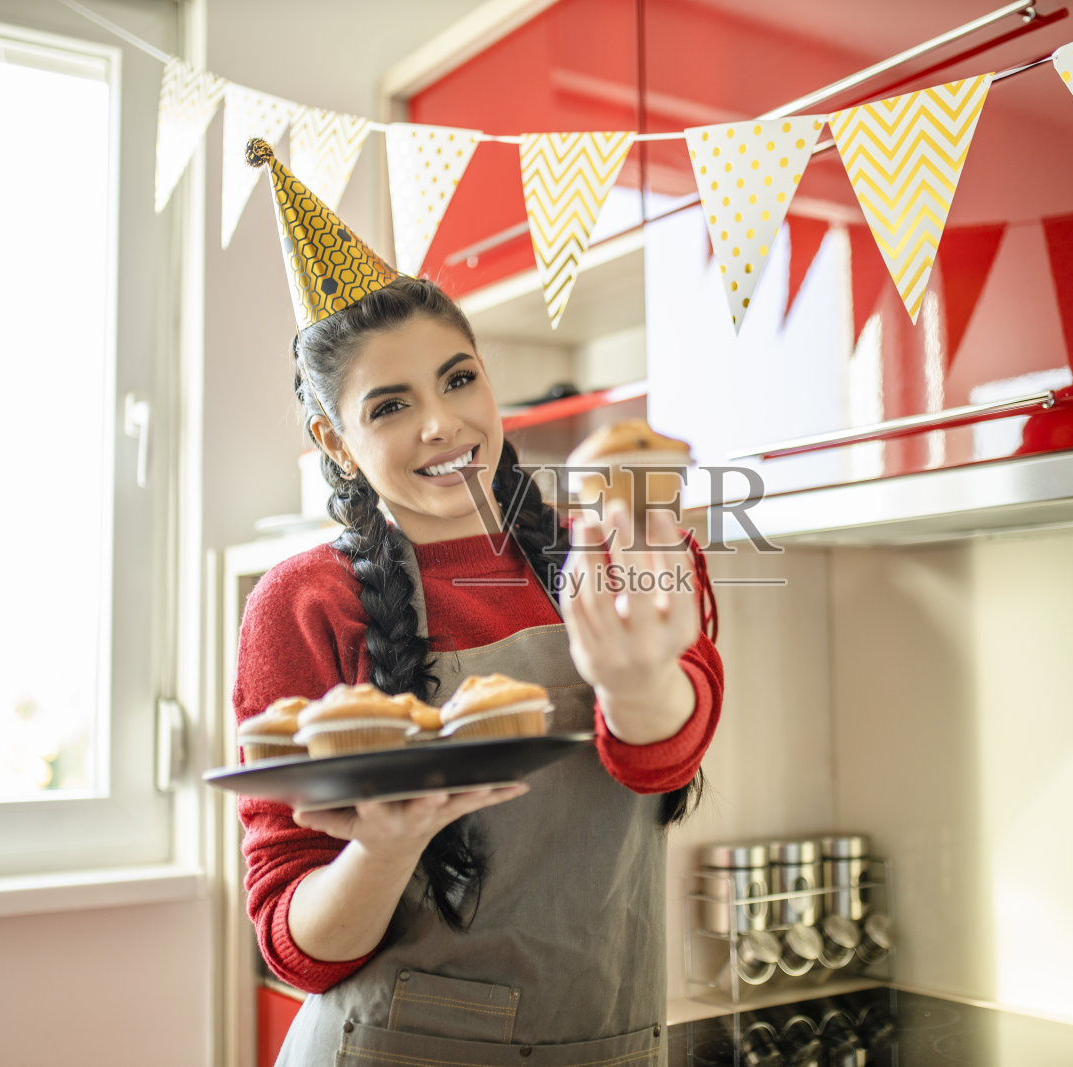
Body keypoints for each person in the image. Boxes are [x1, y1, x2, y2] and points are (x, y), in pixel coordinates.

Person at [231, 139, 723, 1065]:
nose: (443, 423)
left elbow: (665, 761)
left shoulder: (625, 538)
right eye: (388, 406)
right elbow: (292, 944)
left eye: (459, 378)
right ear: (335, 444)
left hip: (613, 1041)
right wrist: (382, 847)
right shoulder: (301, 603)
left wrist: (641, 678)